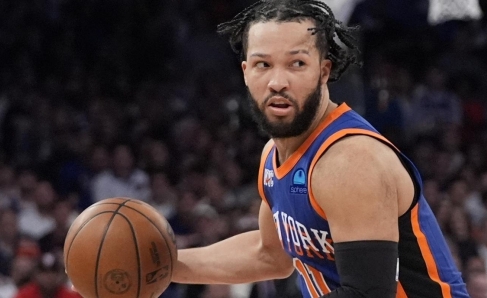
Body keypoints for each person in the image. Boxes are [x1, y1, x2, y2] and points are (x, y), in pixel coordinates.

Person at [168, 0, 469, 297]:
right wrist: (165, 266)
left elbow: (367, 293)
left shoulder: (349, 161)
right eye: (263, 64)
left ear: (324, 71)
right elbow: (269, 255)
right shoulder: (273, 155)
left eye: (297, 63)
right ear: (246, 72)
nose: (277, 82)